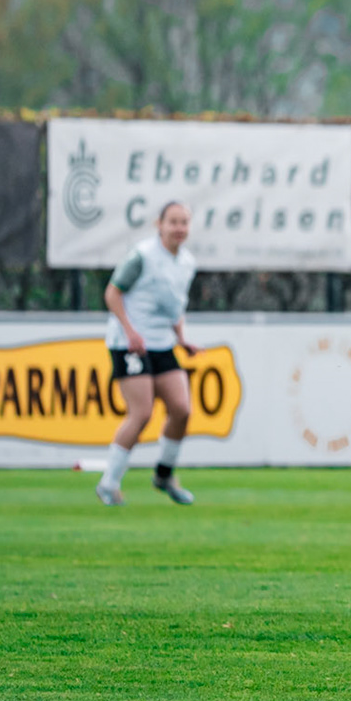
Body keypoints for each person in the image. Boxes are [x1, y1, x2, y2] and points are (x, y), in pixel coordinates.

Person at [97, 200, 200, 507]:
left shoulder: (187, 263)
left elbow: (174, 308)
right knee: (141, 413)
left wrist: (182, 339)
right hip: (129, 342)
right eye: (173, 222)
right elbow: (112, 293)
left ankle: (164, 475)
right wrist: (130, 331)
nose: (179, 228)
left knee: (181, 409)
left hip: (161, 342)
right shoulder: (142, 256)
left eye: (184, 222)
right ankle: (109, 483)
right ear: (160, 224)